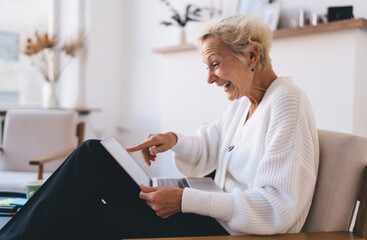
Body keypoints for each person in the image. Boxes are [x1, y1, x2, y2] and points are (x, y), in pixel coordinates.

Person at [0, 14, 319, 240]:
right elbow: (208, 144)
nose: (209, 78)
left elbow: (276, 207)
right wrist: (174, 140)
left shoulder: (286, 103)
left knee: (92, 201)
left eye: (215, 64)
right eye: (207, 67)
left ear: (252, 54)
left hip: (229, 228)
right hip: (213, 214)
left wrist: (184, 200)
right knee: (93, 158)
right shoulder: (243, 105)